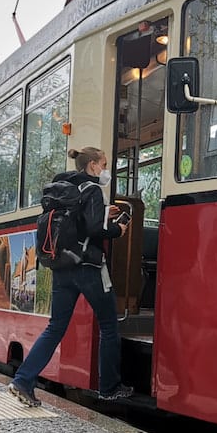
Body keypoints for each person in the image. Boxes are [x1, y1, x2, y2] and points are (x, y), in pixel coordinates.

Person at [8, 146, 133, 407]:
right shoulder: (94, 190)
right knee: (109, 325)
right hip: (89, 268)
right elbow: (93, 229)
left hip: (61, 268)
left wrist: (102, 217)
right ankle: (109, 387)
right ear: (92, 166)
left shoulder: (63, 189)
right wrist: (117, 229)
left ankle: (23, 379)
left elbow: (81, 223)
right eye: (104, 164)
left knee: (55, 327)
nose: (106, 170)